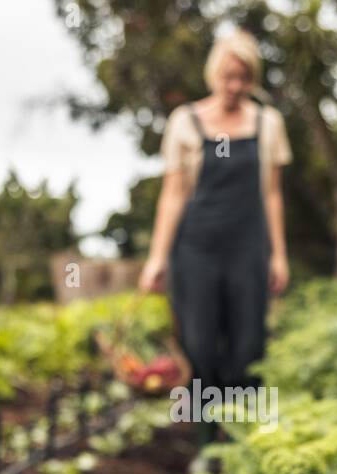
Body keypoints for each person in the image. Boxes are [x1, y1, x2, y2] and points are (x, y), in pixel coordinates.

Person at [138, 31, 291, 442]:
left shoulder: (267, 122)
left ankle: (245, 442)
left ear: (252, 78)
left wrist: (278, 254)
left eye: (242, 78)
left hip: (247, 247)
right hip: (196, 250)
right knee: (200, 350)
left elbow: (273, 194)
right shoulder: (186, 122)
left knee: (247, 350)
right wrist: (157, 258)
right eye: (227, 77)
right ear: (213, 74)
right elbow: (172, 195)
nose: (234, 86)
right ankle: (206, 446)